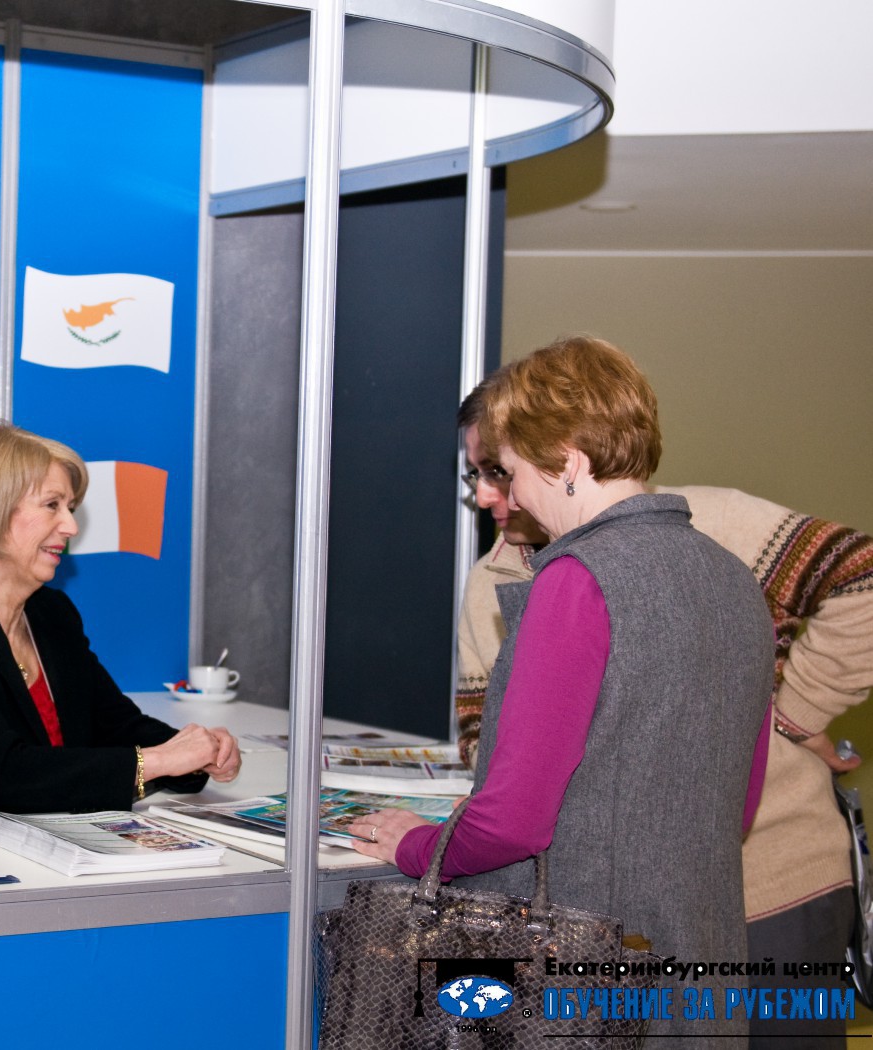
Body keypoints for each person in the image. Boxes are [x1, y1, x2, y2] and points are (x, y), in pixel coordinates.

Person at [349, 336, 775, 1045]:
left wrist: (418, 846)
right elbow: (739, 801)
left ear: (567, 462)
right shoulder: (733, 578)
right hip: (699, 964)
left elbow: (512, 823)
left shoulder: (575, 579)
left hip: (576, 975)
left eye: (512, 471)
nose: (509, 495)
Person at [454, 362, 873, 1049]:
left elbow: (861, 577)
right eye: (476, 473)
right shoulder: (493, 580)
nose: (487, 494)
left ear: (560, 456)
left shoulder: (713, 528)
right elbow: (493, 750)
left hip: (775, 884)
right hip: (621, 908)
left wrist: (784, 716)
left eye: (500, 469)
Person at [0, 420, 241, 820]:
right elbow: (6, 774)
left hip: (51, 841)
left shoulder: (52, 613)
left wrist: (198, 751)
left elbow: (116, 723)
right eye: (52, 505)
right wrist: (159, 761)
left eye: (70, 509)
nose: (71, 527)